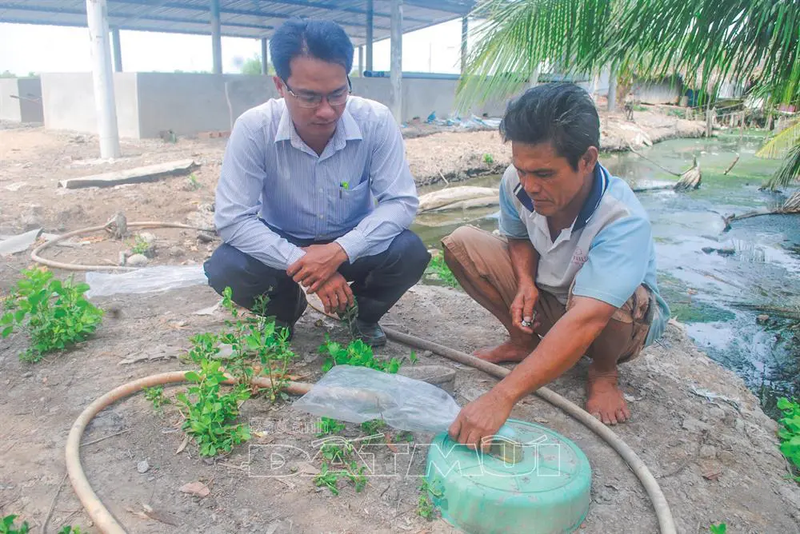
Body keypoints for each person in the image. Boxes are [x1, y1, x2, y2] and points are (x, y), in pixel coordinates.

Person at [442, 83, 669, 448]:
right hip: (554, 296)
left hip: (610, 322)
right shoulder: (517, 182)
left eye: (545, 174)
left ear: (588, 160)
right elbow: (516, 236)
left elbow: (587, 319)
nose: (530, 186)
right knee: (462, 244)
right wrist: (525, 283)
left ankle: (603, 372)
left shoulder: (622, 219)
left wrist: (501, 397)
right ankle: (523, 342)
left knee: (627, 297)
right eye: (522, 170)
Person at [204, 19, 430, 347]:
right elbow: (233, 218)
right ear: (280, 86)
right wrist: (304, 262)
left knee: (408, 252)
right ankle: (284, 311)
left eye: (337, 93)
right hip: (283, 241)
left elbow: (400, 202)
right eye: (309, 97)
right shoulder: (255, 129)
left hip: (350, 242)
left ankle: (362, 316)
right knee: (227, 266)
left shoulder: (376, 122)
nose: (326, 111)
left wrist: (339, 251)